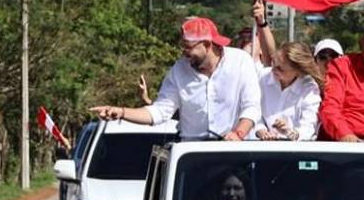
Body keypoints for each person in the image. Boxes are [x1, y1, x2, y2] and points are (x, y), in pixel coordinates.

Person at [92, 16, 260, 141]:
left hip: (233, 150)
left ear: (207, 45)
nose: (184, 53)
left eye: (188, 47)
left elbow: (251, 107)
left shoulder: (240, 62)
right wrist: (121, 112)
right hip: (193, 153)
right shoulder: (178, 71)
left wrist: (238, 133)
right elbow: (159, 112)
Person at [255, 42, 324, 141]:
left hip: (296, 150)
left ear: (299, 72)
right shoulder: (262, 76)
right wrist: (260, 129)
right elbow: (253, 110)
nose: (273, 70)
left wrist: (289, 132)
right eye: (273, 63)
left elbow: (308, 127)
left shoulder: (310, 89)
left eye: (280, 69)